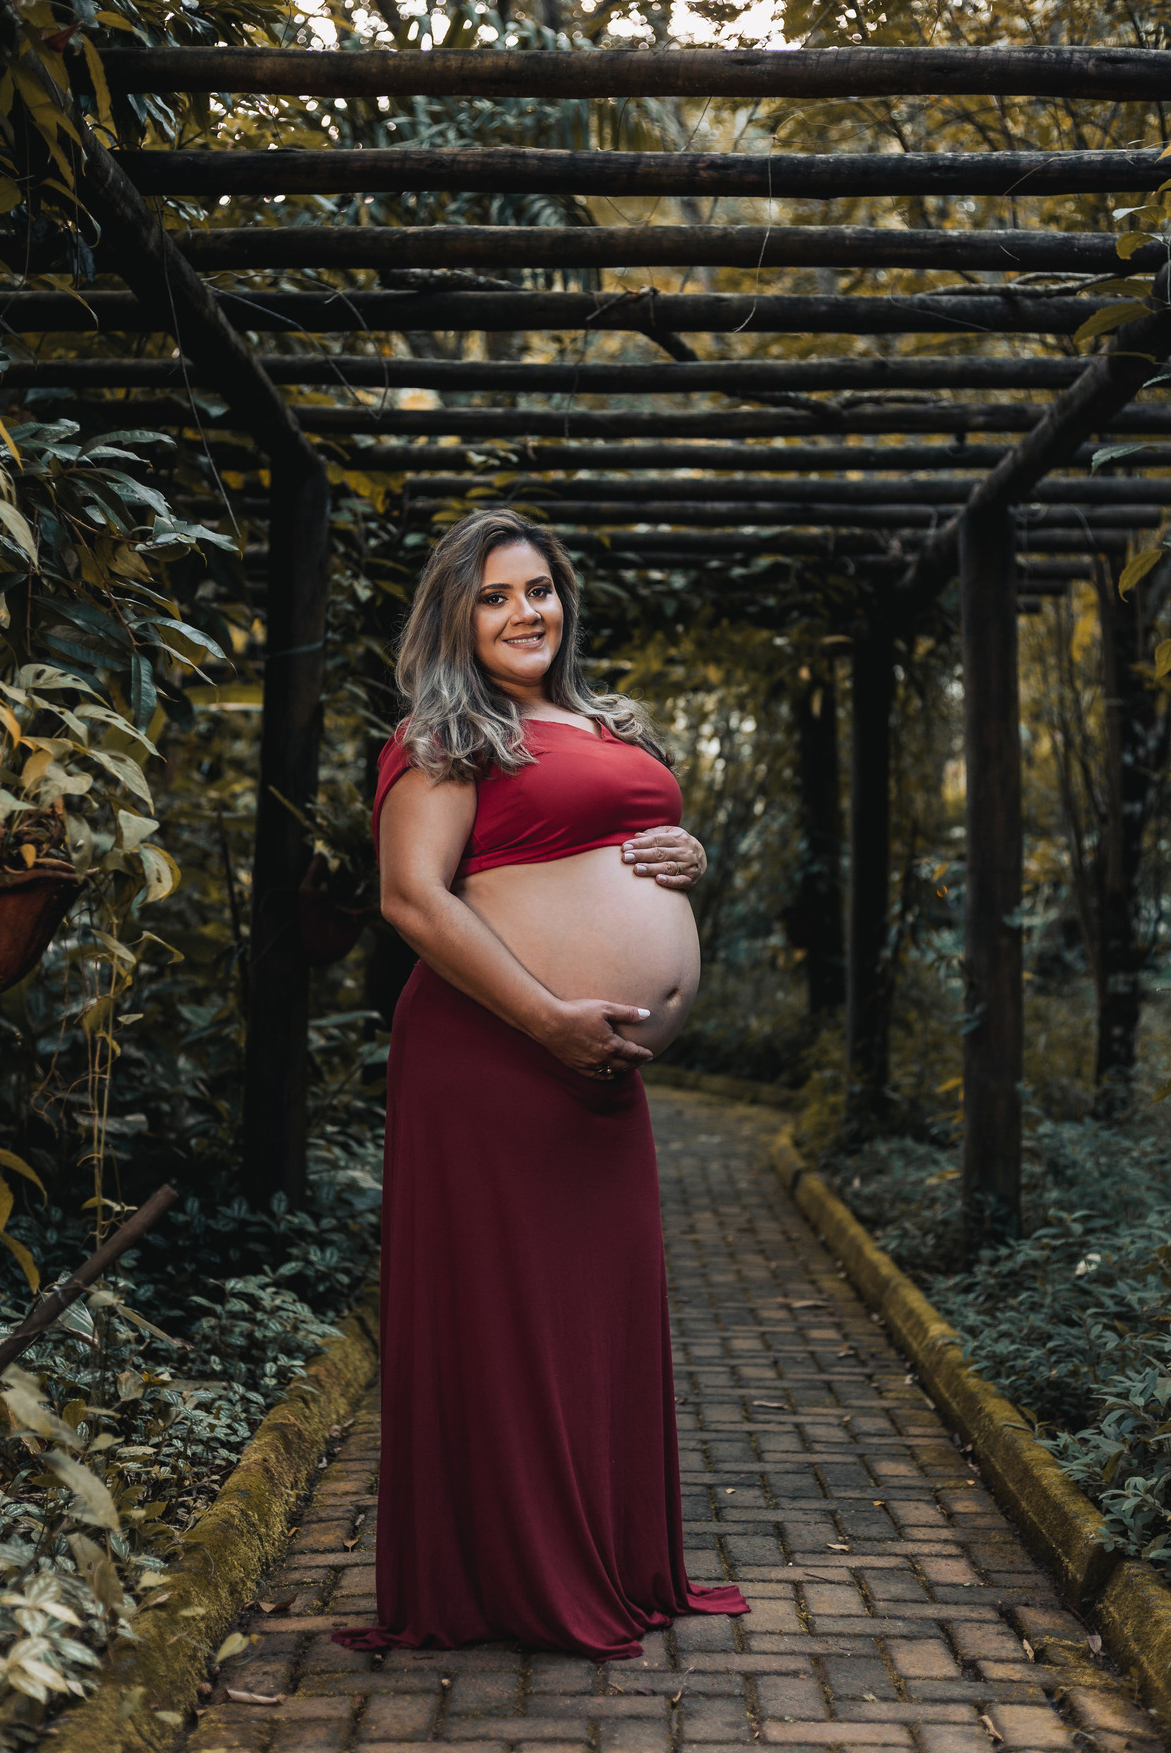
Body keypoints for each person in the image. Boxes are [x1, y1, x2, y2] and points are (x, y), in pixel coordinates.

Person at [334, 508, 748, 1662]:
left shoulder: (597, 721)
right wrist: (546, 1021)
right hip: (496, 1056)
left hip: (596, 1074)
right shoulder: (443, 736)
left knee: (591, 1313)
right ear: (456, 617)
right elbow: (414, 900)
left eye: (541, 590)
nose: (527, 613)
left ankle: (605, 1555)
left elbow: (622, 844)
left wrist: (688, 857)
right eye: (496, 596)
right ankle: (509, 1576)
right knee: (509, 1313)